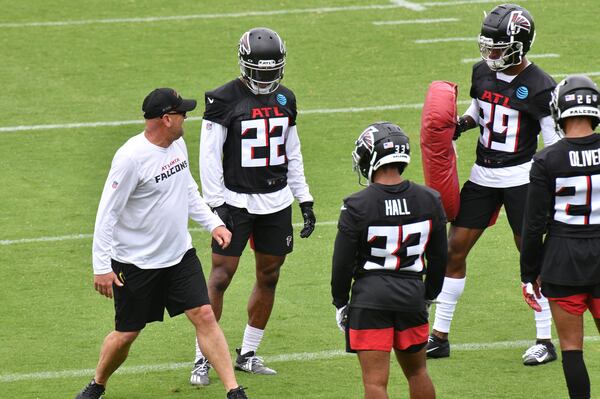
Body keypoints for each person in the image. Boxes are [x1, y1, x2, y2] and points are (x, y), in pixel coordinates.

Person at [75, 88, 248, 399]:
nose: (186, 117)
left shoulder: (176, 143)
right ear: (166, 119)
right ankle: (98, 383)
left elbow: (188, 189)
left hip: (179, 256)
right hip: (135, 264)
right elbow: (107, 214)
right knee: (126, 334)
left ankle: (234, 391)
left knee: (205, 316)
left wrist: (214, 223)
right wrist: (101, 266)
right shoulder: (130, 159)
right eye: (181, 113)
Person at [426, 3, 561, 365]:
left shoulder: (540, 86)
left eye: (498, 47)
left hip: (521, 177)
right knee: (454, 249)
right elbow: (478, 110)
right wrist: (460, 125)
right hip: (483, 173)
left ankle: (545, 339)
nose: (490, 53)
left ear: (520, 45)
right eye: (487, 45)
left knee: (530, 257)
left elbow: (553, 145)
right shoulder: (481, 73)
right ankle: (439, 335)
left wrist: (549, 186)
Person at [190, 27, 315, 385]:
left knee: (269, 276)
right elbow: (209, 157)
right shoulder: (223, 99)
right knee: (220, 276)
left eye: (271, 71)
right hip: (235, 201)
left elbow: (293, 151)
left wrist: (303, 197)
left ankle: (248, 352)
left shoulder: (286, 98)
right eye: (259, 72)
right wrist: (216, 205)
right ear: (244, 66)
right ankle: (203, 357)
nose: (266, 79)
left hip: (275, 201)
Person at [331, 122, 447, 399]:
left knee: (375, 383)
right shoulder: (430, 199)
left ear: (372, 157)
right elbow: (440, 256)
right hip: (411, 294)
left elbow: (342, 263)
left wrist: (340, 301)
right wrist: (428, 295)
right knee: (418, 373)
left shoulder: (357, 205)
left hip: (370, 298)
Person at [521, 75, 600, 399]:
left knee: (571, 349)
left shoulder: (547, 159)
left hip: (562, 260)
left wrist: (529, 273)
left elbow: (534, 224)